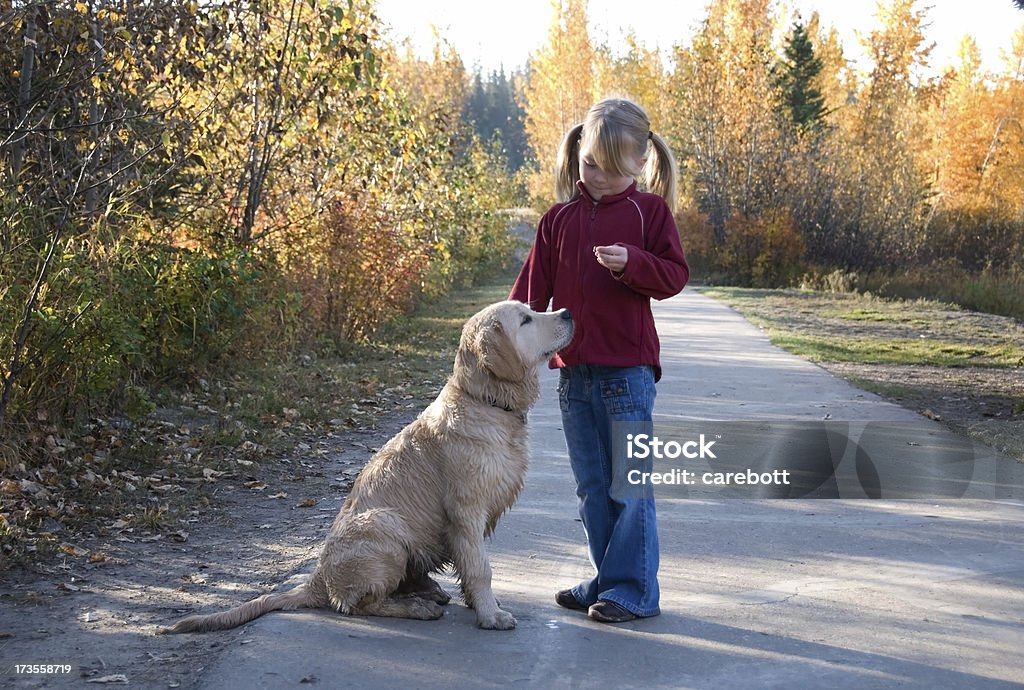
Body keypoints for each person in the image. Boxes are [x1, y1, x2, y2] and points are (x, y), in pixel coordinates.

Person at [509, 97, 689, 623]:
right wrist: (504, 343)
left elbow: (674, 277)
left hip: (627, 375)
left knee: (628, 489)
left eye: (612, 169)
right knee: (592, 489)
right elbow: (528, 297)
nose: (599, 177)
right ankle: (607, 581)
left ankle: (634, 590)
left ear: (641, 163)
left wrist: (634, 263)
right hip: (574, 377)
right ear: (578, 153)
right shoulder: (557, 220)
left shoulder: (648, 213)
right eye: (591, 164)